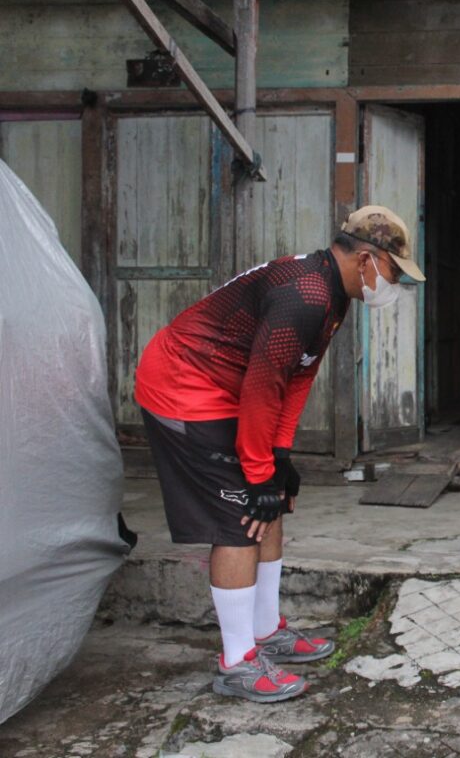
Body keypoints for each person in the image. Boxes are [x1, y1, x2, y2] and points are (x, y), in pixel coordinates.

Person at [134, 205, 425, 703]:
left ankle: (266, 630)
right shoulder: (305, 294)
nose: (393, 285)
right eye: (394, 272)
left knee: (274, 501)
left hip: (233, 387)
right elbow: (263, 386)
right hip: (184, 385)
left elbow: (296, 376)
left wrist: (279, 456)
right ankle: (237, 661)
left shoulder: (334, 296)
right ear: (366, 259)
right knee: (239, 515)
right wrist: (256, 472)